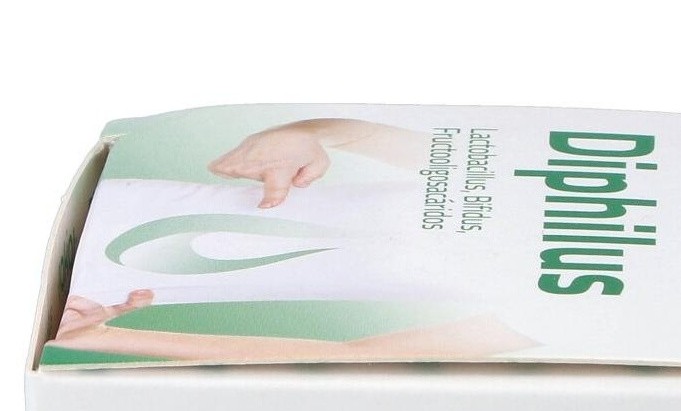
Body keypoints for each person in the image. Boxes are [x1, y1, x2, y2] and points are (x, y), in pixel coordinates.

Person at [47, 118, 534, 364]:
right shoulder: (546, 171)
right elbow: (365, 136)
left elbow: (351, 355)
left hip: (98, 291)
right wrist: (298, 133)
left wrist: (102, 338)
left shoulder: (564, 320)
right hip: (106, 200)